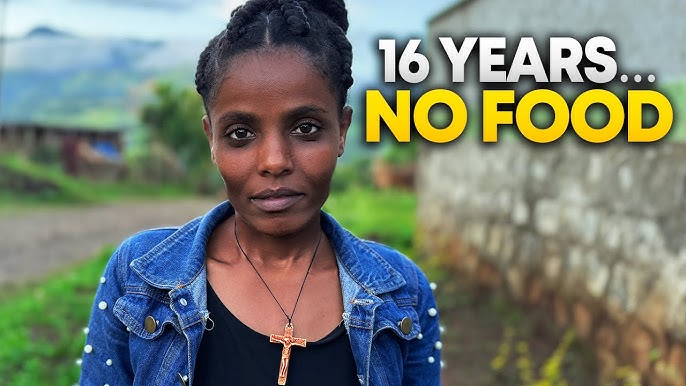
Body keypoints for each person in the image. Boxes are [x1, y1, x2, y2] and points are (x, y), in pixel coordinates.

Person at [79, 0, 442, 385]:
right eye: (240, 134)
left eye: (305, 128)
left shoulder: (403, 291)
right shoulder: (140, 277)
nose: (274, 161)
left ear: (342, 130)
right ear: (211, 140)